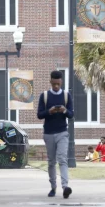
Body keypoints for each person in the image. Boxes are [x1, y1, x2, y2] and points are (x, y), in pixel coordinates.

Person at [37, 70, 74, 199]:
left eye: (58, 84)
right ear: (50, 81)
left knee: (63, 160)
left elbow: (71, 114)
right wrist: (50, 111)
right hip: (49, 133)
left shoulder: (66, 95)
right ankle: (53, 187)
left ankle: (65, 187)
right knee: (51, 162)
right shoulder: (45, 96)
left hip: (62, 132)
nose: (56, 86)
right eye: (54, 84)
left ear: (61, 82)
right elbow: (39, 115)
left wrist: (64, 110)